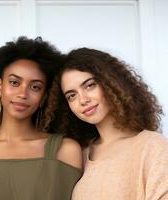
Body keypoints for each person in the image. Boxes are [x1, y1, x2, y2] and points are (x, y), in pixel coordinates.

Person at [0, 37, 83, 200]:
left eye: (35, 87)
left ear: (44, 97)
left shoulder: (66, 151)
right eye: (14, 82)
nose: (22, 94)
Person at [48, 47, 168, 200]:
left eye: (89, 85)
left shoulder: (152, 147)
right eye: (72, 95)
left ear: (111, 83)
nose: (83, 100)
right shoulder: (80, 156)